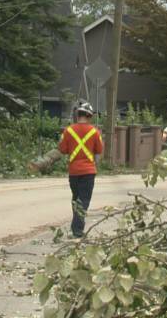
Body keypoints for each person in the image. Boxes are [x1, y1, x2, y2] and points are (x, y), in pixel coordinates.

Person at [58, 101, 103, 238]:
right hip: (88, 172)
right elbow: (99, 150)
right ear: (89, 116)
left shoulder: (68, 130)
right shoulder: (95, 132)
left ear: (78, 115)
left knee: (76, 199)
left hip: (74, 172)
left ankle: (76, 227)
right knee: (83, 201)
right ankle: (77, 230)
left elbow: (62, 149)